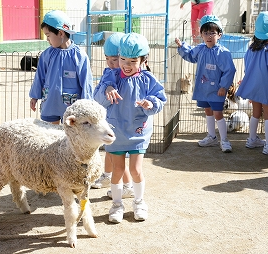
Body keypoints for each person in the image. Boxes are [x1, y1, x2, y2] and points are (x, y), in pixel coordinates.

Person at [94, 32, 167, 223]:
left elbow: (160, 98)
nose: (126, 65)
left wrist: (151, 103)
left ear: (144, 60)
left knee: (136, 170)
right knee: (117, 170)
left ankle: (140, 201)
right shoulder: (110, 76)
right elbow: (97, 99)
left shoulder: (148, 79)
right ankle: (117, 205)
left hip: (138, 132)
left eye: (132, 61)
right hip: (116, 131)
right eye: (123, 59)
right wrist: (107, 89)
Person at [175, 15, 236, 153]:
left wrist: (223, 86)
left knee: (218, 113)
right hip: (203, 88)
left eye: (212, 33)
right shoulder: (201, 48)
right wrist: (181, 46)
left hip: (217, 90)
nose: (209, 36)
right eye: (206, 33)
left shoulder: (223, 53)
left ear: (219, 34)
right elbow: (190, 54)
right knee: (208, 111)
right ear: (201, 34)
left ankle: (225, 140)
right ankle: (212, 136)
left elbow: (230, 70)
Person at [29, 10, 94, 124]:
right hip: (50, 103)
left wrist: (87, 106)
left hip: (71, 109)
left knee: (68, 137)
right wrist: (34, 97)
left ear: (60, 33)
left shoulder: (79, 56)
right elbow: (39, 77)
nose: (47, 39)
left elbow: (86, 83)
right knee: (50, 136)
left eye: (48, 35)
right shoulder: (46, 55)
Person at [91, 32, 135, 200]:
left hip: (121, 124)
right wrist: (107, 87)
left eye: (115, 59)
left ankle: (128, 186)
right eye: (107, 58)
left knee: (118, 156)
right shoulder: (109, 72)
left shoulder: (129, 77)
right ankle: (108, 176)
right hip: (110, 121)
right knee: (110, 151)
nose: (111, 63)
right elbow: (100, 95)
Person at [236, 11, 268, 155]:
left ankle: (252, 139)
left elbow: (247, 68)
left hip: (253, 87)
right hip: (267, 88)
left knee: (255, 113)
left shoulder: (251, 49)